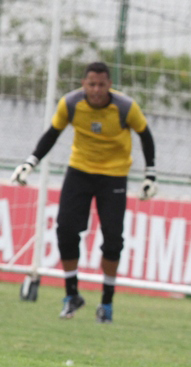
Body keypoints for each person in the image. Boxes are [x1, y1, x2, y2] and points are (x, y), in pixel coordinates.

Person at [10, 61, 158, 323]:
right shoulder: (70, 104)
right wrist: (30, 162)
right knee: (66, 230)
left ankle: (107, 303)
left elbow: (146, 136)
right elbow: (52, 134)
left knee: (113, 239)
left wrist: (150, 175)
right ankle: (71, 296)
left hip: (114, 175)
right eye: (92, 84)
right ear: (84, 84)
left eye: (101, 84)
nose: (97, 89)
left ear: (109, 85)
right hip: (79, 172)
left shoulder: (126, 107)